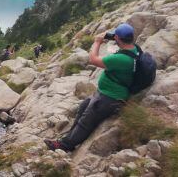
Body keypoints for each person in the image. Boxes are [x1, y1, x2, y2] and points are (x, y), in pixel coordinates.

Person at [44, 23, 137, 151]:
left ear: (118, 39)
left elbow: (93, 59)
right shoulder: (134, 49)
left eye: (116, 37)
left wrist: (97, 42)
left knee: (86, 122)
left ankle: (65, 145)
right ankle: (70, 136)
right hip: (106, 93)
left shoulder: (121, 59)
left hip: (110, 98)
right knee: (83, 107)